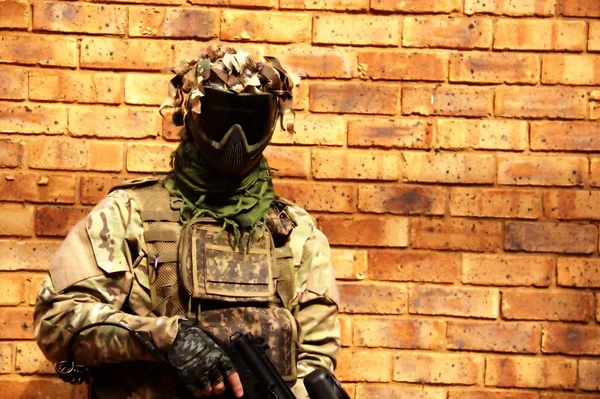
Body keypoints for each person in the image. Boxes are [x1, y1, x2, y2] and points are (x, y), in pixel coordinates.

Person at [33, 45, 341, 399]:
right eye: (221, 119)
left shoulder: (295, 233)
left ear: (271, 121)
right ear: (191, 116)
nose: (234, 139)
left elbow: (315, 362)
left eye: (250, 120)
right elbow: (58, 323)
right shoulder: (127, 215)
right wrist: (164, 338)